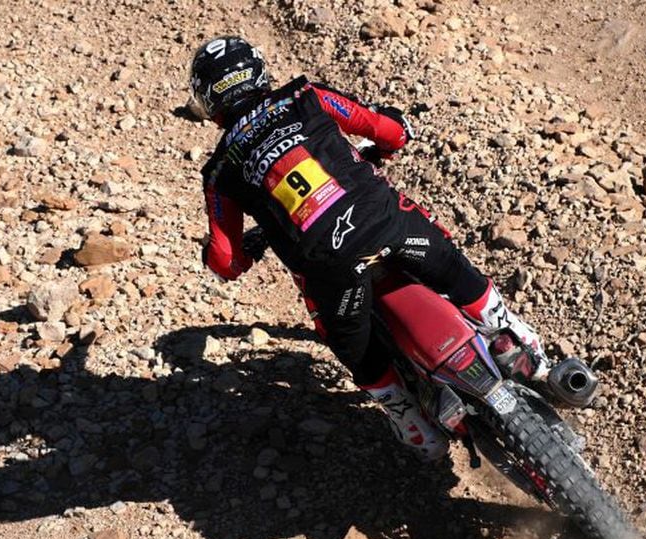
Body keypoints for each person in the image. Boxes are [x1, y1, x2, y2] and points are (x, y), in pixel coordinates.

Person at [190, 35, 550, 461]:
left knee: (353, 348)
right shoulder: (305, 96)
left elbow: (226, 261)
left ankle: (411, 423)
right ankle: (519, 337)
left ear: (209, 101)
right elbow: (386, 129)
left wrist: (241, 253)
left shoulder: (219, 171)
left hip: (330, 265)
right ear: (258, 71)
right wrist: (392, 138)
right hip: (388, 223)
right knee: (454, 268)